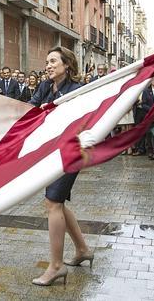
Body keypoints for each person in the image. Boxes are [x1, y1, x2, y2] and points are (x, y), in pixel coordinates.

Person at [29, 46, 91, 286]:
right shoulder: (45, 87)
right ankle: (83, 250)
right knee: (58, 202)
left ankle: (56, 266)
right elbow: (32, 110)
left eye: (53, 61)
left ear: (67, 65)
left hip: (69, 152)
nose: (48, 65)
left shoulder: (76, 91)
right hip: (49, 152)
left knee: (52, 203)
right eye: (47, 62)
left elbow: (81, 122)